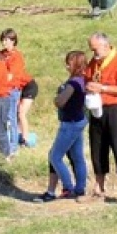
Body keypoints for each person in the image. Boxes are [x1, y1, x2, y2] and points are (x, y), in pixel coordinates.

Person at [84, 32, 117, 200]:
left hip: (115, 109)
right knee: (97, 147)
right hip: (97, 108)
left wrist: (103, 88)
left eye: (95, 49)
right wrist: (89, 87)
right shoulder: (94, 62)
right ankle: (99, 188)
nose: (93, 53)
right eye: (91, 49)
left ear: (106, 46)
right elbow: (87, 79)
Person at [39, 50, 90, 202]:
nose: (66, 66)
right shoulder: (82, 80)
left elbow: (61, 101)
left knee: (55, 156)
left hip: (70, 123)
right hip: (79, 120)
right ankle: (80, 188)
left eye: (69, 63)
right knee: (77, 156)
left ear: (76, 65)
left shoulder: (73, 83)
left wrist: (56, 99)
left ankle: (68, 187)